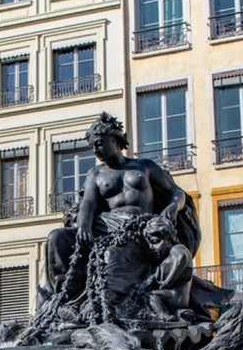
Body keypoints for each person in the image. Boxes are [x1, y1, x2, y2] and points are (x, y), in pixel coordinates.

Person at [43, 113, 202, 319]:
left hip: (139, 229)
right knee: (56, 237)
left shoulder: (144, 167)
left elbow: (176, 192)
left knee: (111, 254)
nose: (95, 150)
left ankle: (107, 306)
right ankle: (68, 300)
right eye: (92, 146)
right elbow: (88, 204)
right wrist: (83, 226)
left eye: (99, 143)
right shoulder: (95, 174)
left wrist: (172, 208)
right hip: (106, 226)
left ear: (115, 140)